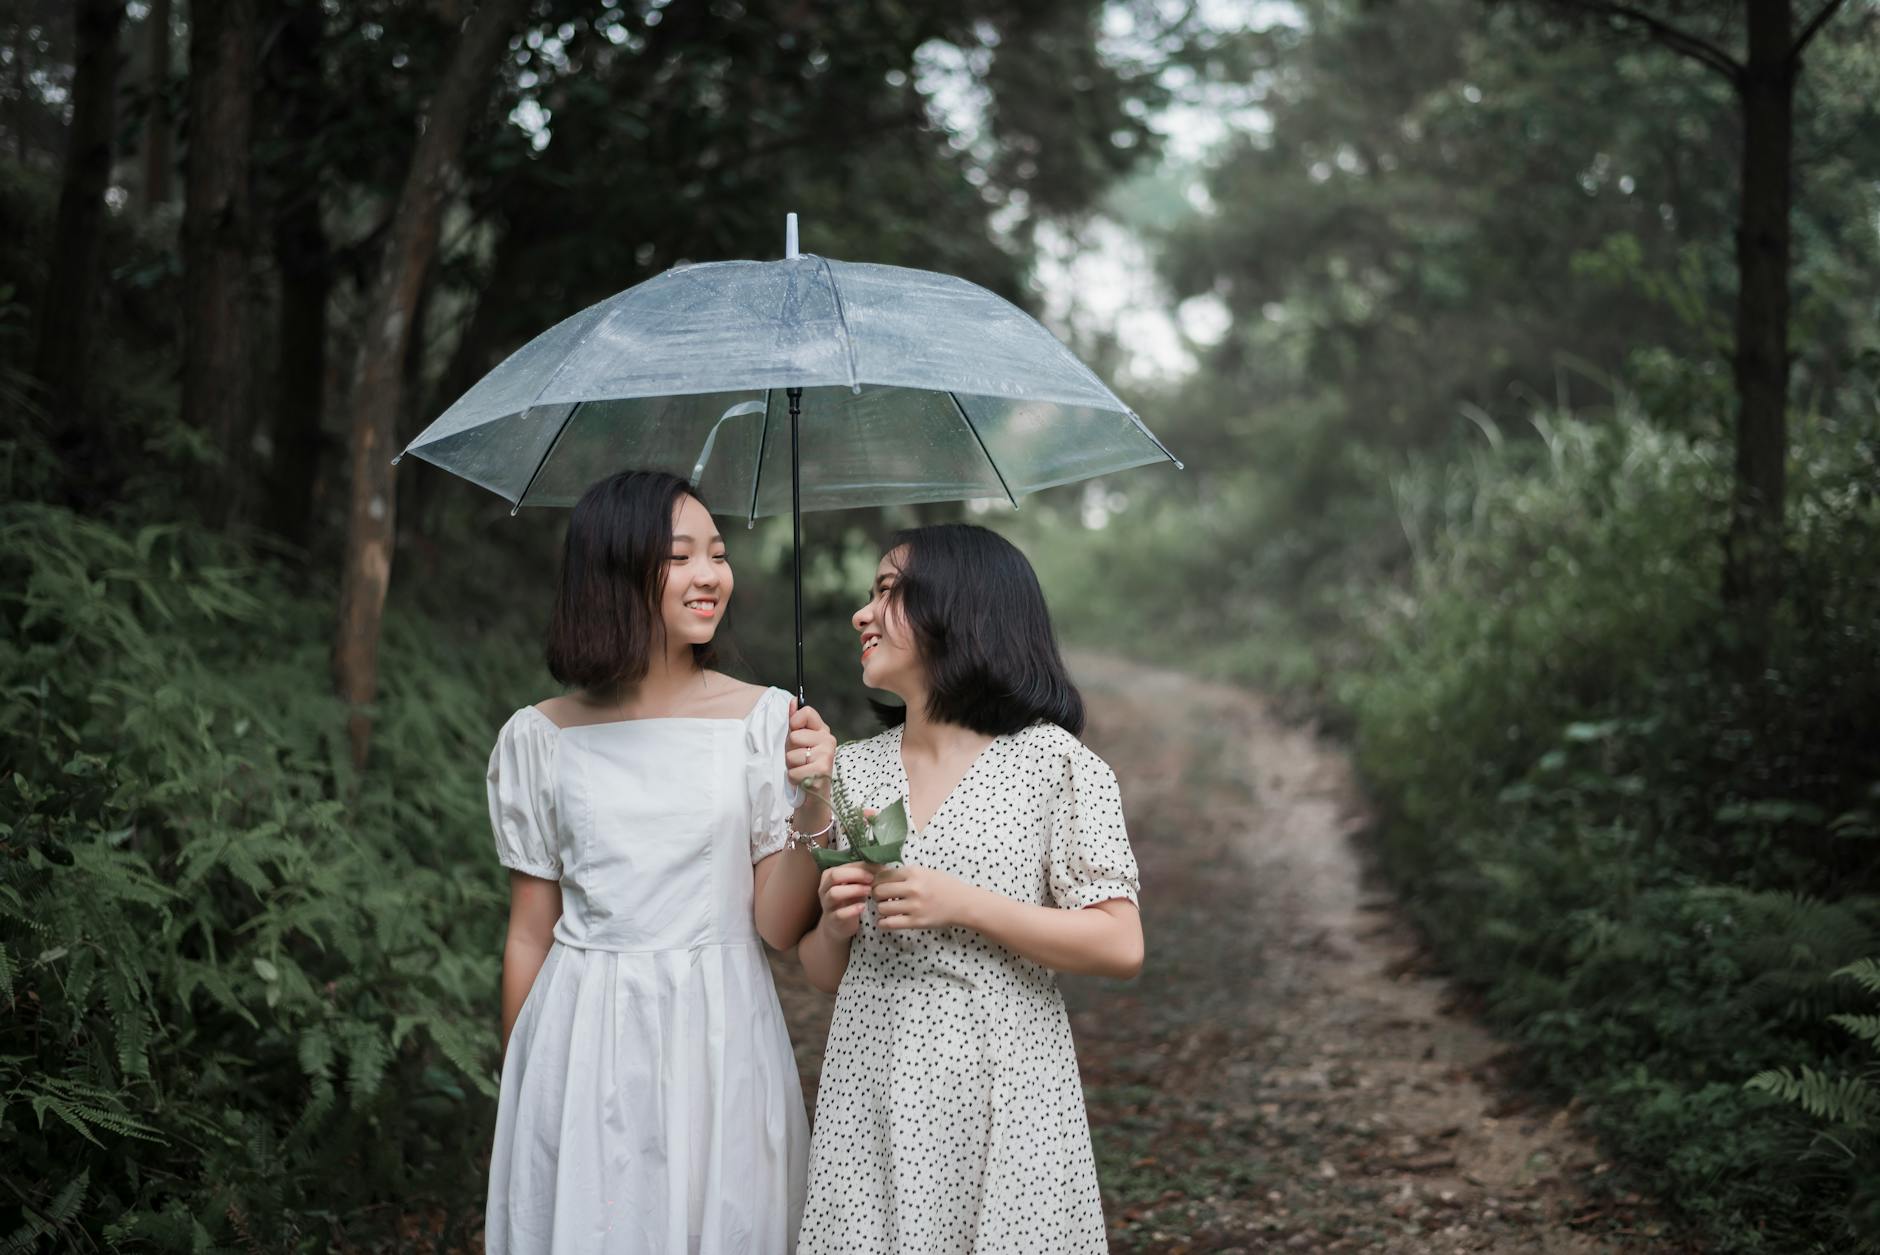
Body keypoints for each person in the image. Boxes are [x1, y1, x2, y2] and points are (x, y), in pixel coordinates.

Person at [483, 470, 836, 1255]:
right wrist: (526, 1084)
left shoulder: (764, 718)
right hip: (579, 1035)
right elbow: (529, 934)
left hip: (719, 1031)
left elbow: (776, 926)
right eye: (681, 555)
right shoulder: (540, 738)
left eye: (717, 552)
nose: (711, 574)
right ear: (613, 570)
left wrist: (813, 803)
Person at [796, 523, 1144, 1255]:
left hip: (1003, 1085)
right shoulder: (852, 770)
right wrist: (832, 923)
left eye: (889, 591)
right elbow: (826, 971)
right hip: (872, 1081)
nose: (863, 613)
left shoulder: (1054, 764)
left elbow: (1120, 941)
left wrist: (964, 904)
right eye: (869, 594)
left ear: (964, 608)